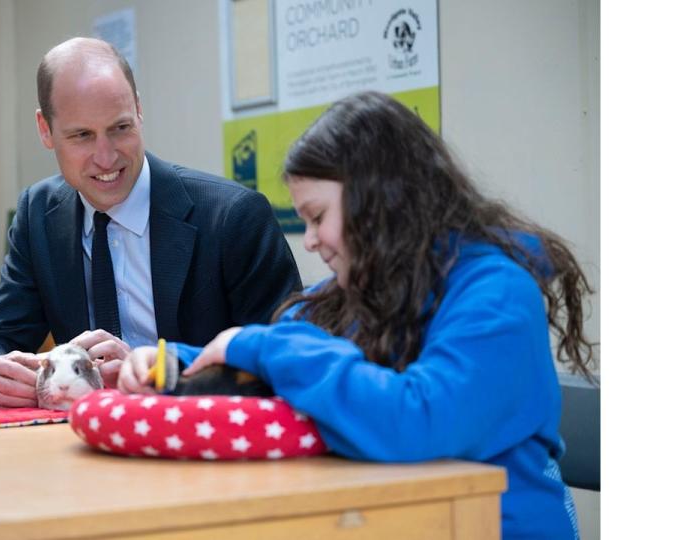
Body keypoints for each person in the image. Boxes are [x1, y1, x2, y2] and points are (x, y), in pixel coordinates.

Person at [119, 91, 597, 539]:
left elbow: (419, 420)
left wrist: (257, 345)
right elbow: (269, 362)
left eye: (318, 217)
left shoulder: (497, 296)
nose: (308, 240)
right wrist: (170, 365)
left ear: (380, 202)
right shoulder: (355, 290)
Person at [0, 37, 301, 408]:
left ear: (138, 109)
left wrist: (162, 374)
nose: (106, 158)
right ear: (45, 130)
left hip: (202, 445)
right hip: (83, 446)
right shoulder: (38, 214)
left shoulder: (234, 216)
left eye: (120, 128)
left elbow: (289, 359)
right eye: (82, 135)